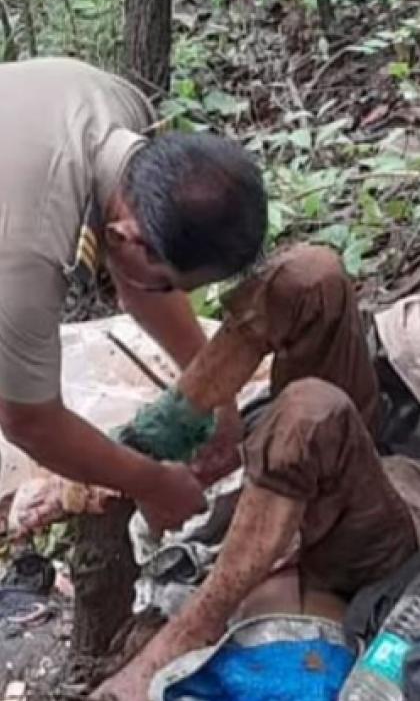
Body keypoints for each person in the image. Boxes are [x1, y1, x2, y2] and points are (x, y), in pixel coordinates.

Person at [91, 243, 420, 701]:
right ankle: (155, 440)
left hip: (402, 522)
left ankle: (185, 635)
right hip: (389, 420)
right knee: (307, 275)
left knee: (309, 413)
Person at [0, 56, 267, 534]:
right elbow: (29, 423)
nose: (169, 294)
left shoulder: (118, 108)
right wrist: (153, 483)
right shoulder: (29, 253)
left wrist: (216, 390)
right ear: (127, 238)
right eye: (169, 282)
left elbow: (141, 282)